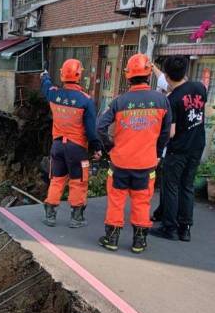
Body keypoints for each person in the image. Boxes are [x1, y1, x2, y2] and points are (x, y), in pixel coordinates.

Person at [97, 53, 172, 253]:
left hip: (120, 163)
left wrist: (110, 147)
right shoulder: (162, 101)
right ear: (149, 74)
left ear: (128, 75)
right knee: (142, 202)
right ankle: (139, 242)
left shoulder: (119, 101)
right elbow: (165, 134)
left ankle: (112, 239)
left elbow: (100, 127)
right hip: (146, 165)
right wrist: (156, 153)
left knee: (116, 201)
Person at [150, 56, 207, 242]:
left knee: (171, 187)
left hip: (178, 150)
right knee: (187, 186)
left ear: (166, 77)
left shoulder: (172, 99)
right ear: (185, 72)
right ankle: (185, 229)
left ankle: (169, 228)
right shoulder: (199, 88)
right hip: (197, 146)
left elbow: (171, 133)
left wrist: (157, 146)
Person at [40, 59, 102, 228]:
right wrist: (96, 147)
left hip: (58, 145)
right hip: (77, 148)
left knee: (57, 179)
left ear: (62, 74)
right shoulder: (86, 100)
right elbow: (91, 130)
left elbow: (46, 86)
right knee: (78, 181)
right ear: (79, 75)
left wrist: (44, 75)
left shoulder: (54, 94)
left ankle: (50, 214)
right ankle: (76, 217)